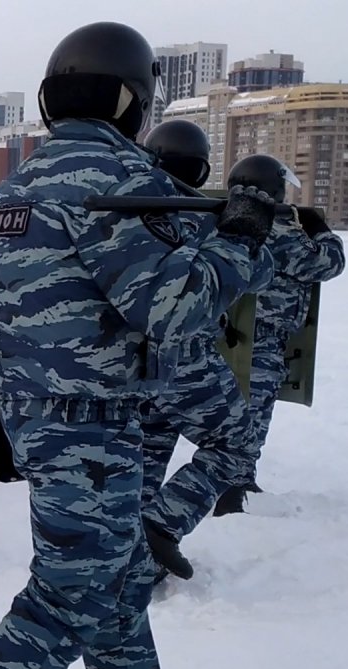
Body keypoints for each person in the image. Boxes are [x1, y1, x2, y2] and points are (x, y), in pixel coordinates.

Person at [0, 22, 275, 669]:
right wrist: (242, 239)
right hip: (93, 435)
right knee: (64, 600)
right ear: (133, 102)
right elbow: (175, 308)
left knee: (117, 590)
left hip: (34, 422)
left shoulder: (14, 191)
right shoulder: (124, 181)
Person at [135, 125, 277, 580]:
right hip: (185, 359)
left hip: (132, 359)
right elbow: (259, 273)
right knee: (237, 443)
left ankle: (134, 563)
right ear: (201, 168)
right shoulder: (206, 217)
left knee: (146, 457)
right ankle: (161, 525)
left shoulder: (128, 211)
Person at [217, 155, 346, 513]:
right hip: (262, 340)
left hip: (235, 334)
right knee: (251, 416)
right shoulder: (276, 230)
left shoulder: (228, 219)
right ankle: (233, 485)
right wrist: (320, 230)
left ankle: (234, 480)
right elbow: (328, 263)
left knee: (238, 413)